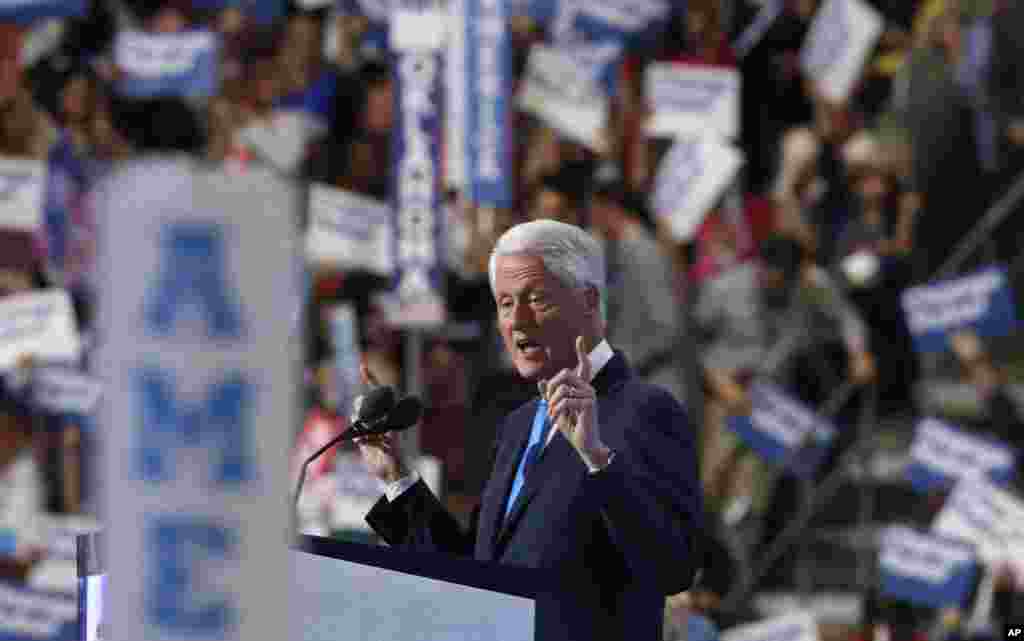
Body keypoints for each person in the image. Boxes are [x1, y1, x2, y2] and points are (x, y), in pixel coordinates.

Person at [354, 219, 704, 640]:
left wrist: (597, 459)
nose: (516, 321)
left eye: (535, 299)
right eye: (504, 303)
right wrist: (396, 476)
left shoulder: (645, 410)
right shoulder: (519, 425)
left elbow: (674, 567)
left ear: (589, 301)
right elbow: (474, 575)